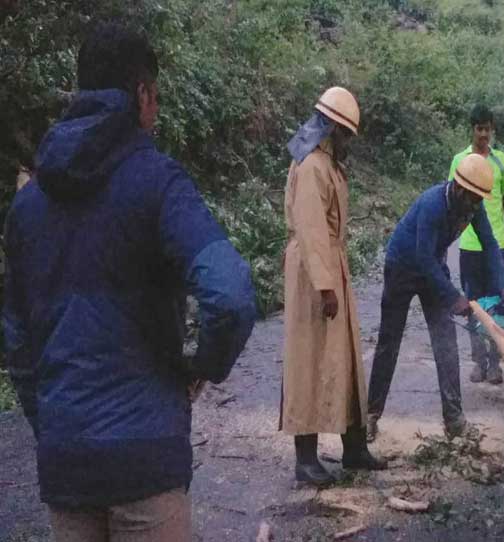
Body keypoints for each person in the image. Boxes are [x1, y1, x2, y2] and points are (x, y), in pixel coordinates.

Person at [2, 23, 256, 542]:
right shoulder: (159, 183)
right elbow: (229, 295)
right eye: (155, 99)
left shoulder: (26, 207)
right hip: (146, 457)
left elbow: (17, 342)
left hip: (67, 462)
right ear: (140, 94)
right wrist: (200, 368)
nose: (156, 115)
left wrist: (53, 424)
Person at [281, 86, 387, 487]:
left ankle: (354, 447)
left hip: (330, 266)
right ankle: (305, 458)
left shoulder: (328, 164)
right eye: (345, 135)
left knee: (344, 361)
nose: (348, 143)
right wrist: (326, 286)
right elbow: (310, 230)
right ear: (331, 130)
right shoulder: (311, 166)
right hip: (313, 273)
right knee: (309, 362)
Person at [367, 154, 504, 442]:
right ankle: (370, 416)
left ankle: (454, 420)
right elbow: (422, 257)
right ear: (458, 188)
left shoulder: (474, 206)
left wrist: (502, 284)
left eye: (479, 200)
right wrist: (453, 296)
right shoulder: (434, 204)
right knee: (389, 342)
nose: (475, 206)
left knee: (446, 342)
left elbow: (490, 244)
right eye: (471, 199)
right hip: (403, 267)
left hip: (432, 265)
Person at [448, 105, 504, 385]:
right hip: (468, 246)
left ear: (492, 130)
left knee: (499, 307)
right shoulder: (460, 160)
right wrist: (446, 242)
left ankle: (496, 364)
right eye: (478, 129)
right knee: (473, 306)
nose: (483, 134)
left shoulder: (500, 160)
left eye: (487, 129)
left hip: (497, 246)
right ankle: (478, 362)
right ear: (472, 130)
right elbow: (451, 202)